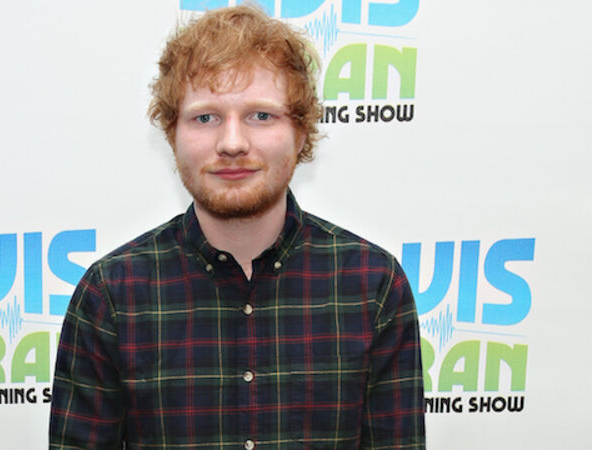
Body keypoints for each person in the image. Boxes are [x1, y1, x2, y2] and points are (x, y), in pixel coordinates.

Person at [49, 4, 425, 449]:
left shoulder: (373, 285)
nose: (232, 143)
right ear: (172, 134)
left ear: (301, 132)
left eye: (260, 116)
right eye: (205, 117)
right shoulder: (112, 295)